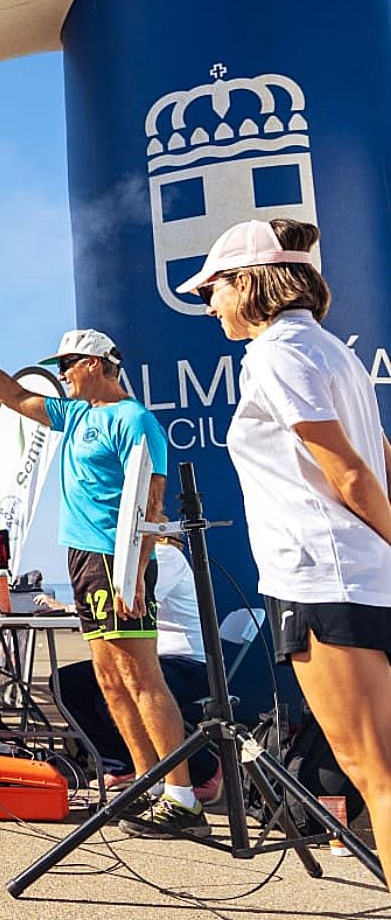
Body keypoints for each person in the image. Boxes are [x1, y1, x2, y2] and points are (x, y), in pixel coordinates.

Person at [181, 217, 391, 866]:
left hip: (322, 579)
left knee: (374, 772)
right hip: (361, 574)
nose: (208, 303)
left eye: (212, 288)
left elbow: (351, 471)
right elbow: (380, 455)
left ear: (247, 283)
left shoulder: (277, 351)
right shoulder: (333, 349)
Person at [0, 318, 205, 837]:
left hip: (118, 556)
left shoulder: (134, 420)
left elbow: (150, 502)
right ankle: (147, 783)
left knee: (140, 676)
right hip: (83, 559)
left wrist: (135, 571)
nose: (61, 376)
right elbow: (14, 396)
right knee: (111, 681)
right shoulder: (73, 413)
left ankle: (183, 798)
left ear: (93, 364)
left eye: (66, 366)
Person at [44, 538, 221, 799]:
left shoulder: (163, 556)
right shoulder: (131, 558)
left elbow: (134, 604)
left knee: (120, 697)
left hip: (189, 662)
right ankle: (121, 763)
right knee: (67, 683)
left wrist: (72, 608)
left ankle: (205, 770)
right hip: (158, 658)